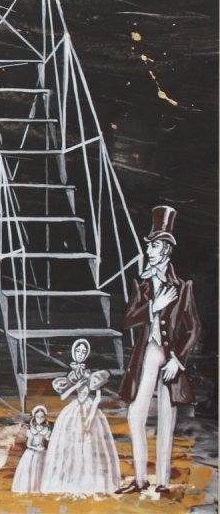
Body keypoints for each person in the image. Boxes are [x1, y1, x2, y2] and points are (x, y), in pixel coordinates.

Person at [115, 205, 201, 494]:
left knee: (167, 417)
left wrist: (179, 359)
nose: (149, 250)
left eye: (153, 245)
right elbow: (127, 319)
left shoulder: (182, 286)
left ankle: (162, 482)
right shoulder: (141, 283)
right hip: (149, 353)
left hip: (170, 356)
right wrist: (154, 306)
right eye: (149, 245)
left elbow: (193, 328)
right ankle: (140, 479)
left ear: (165, 249)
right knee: (135, 414)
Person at [38, 339, 121, 494]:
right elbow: (63, 397)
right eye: (78, 351)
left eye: (83, 352)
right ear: (73, 352)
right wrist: (75, 385)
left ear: (87, 354)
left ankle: (90, 479)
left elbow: (97, 396)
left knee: (90, 442)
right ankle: (71, 478)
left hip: (89, 408)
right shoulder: (71, 375)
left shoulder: (90, 374)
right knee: (71, 442)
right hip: (75, 408)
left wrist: (91, 415)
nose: (80, 354)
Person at [11, 405, 51, 493]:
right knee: (31, 470)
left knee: (41, 470)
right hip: (32, 453)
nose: (39, 419)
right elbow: (28, 444)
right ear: (34, 417)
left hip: (42, 453)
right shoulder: (31, 429)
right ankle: (31, 488)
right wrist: (36, 448)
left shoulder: (46, 429)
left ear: (44, 417)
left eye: (41, 417)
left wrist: (49, 438)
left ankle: (39, 488)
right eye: (37, 417)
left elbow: (48, 440)